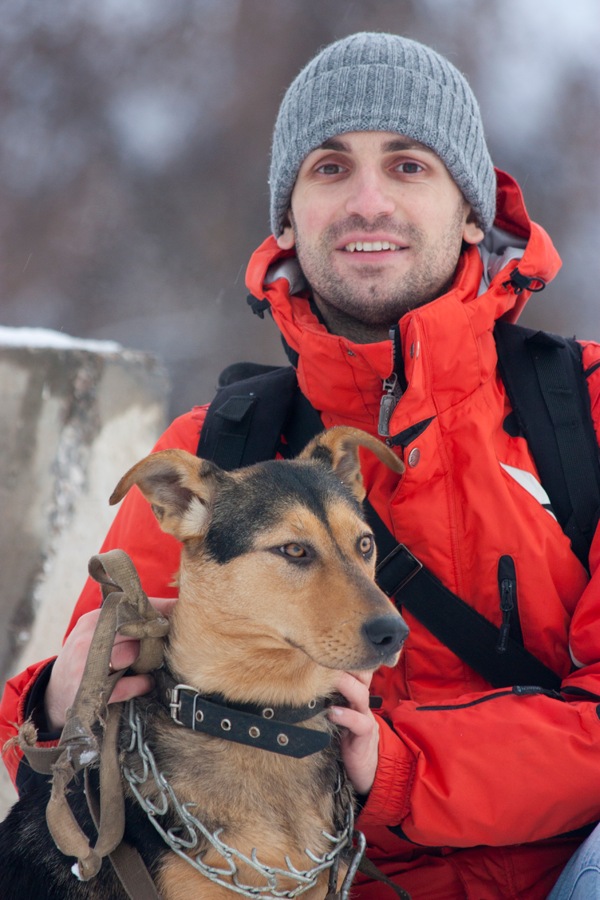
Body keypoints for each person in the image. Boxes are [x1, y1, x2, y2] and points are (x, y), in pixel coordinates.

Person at [2, 31, 600, 900]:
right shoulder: (216, 451)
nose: (368, 201)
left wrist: (402, 769)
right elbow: (63, 763)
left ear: (474, 210)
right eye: (329, 168)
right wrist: (58, 703)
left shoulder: (584, 412)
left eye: (408, 166)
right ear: (287, 219)